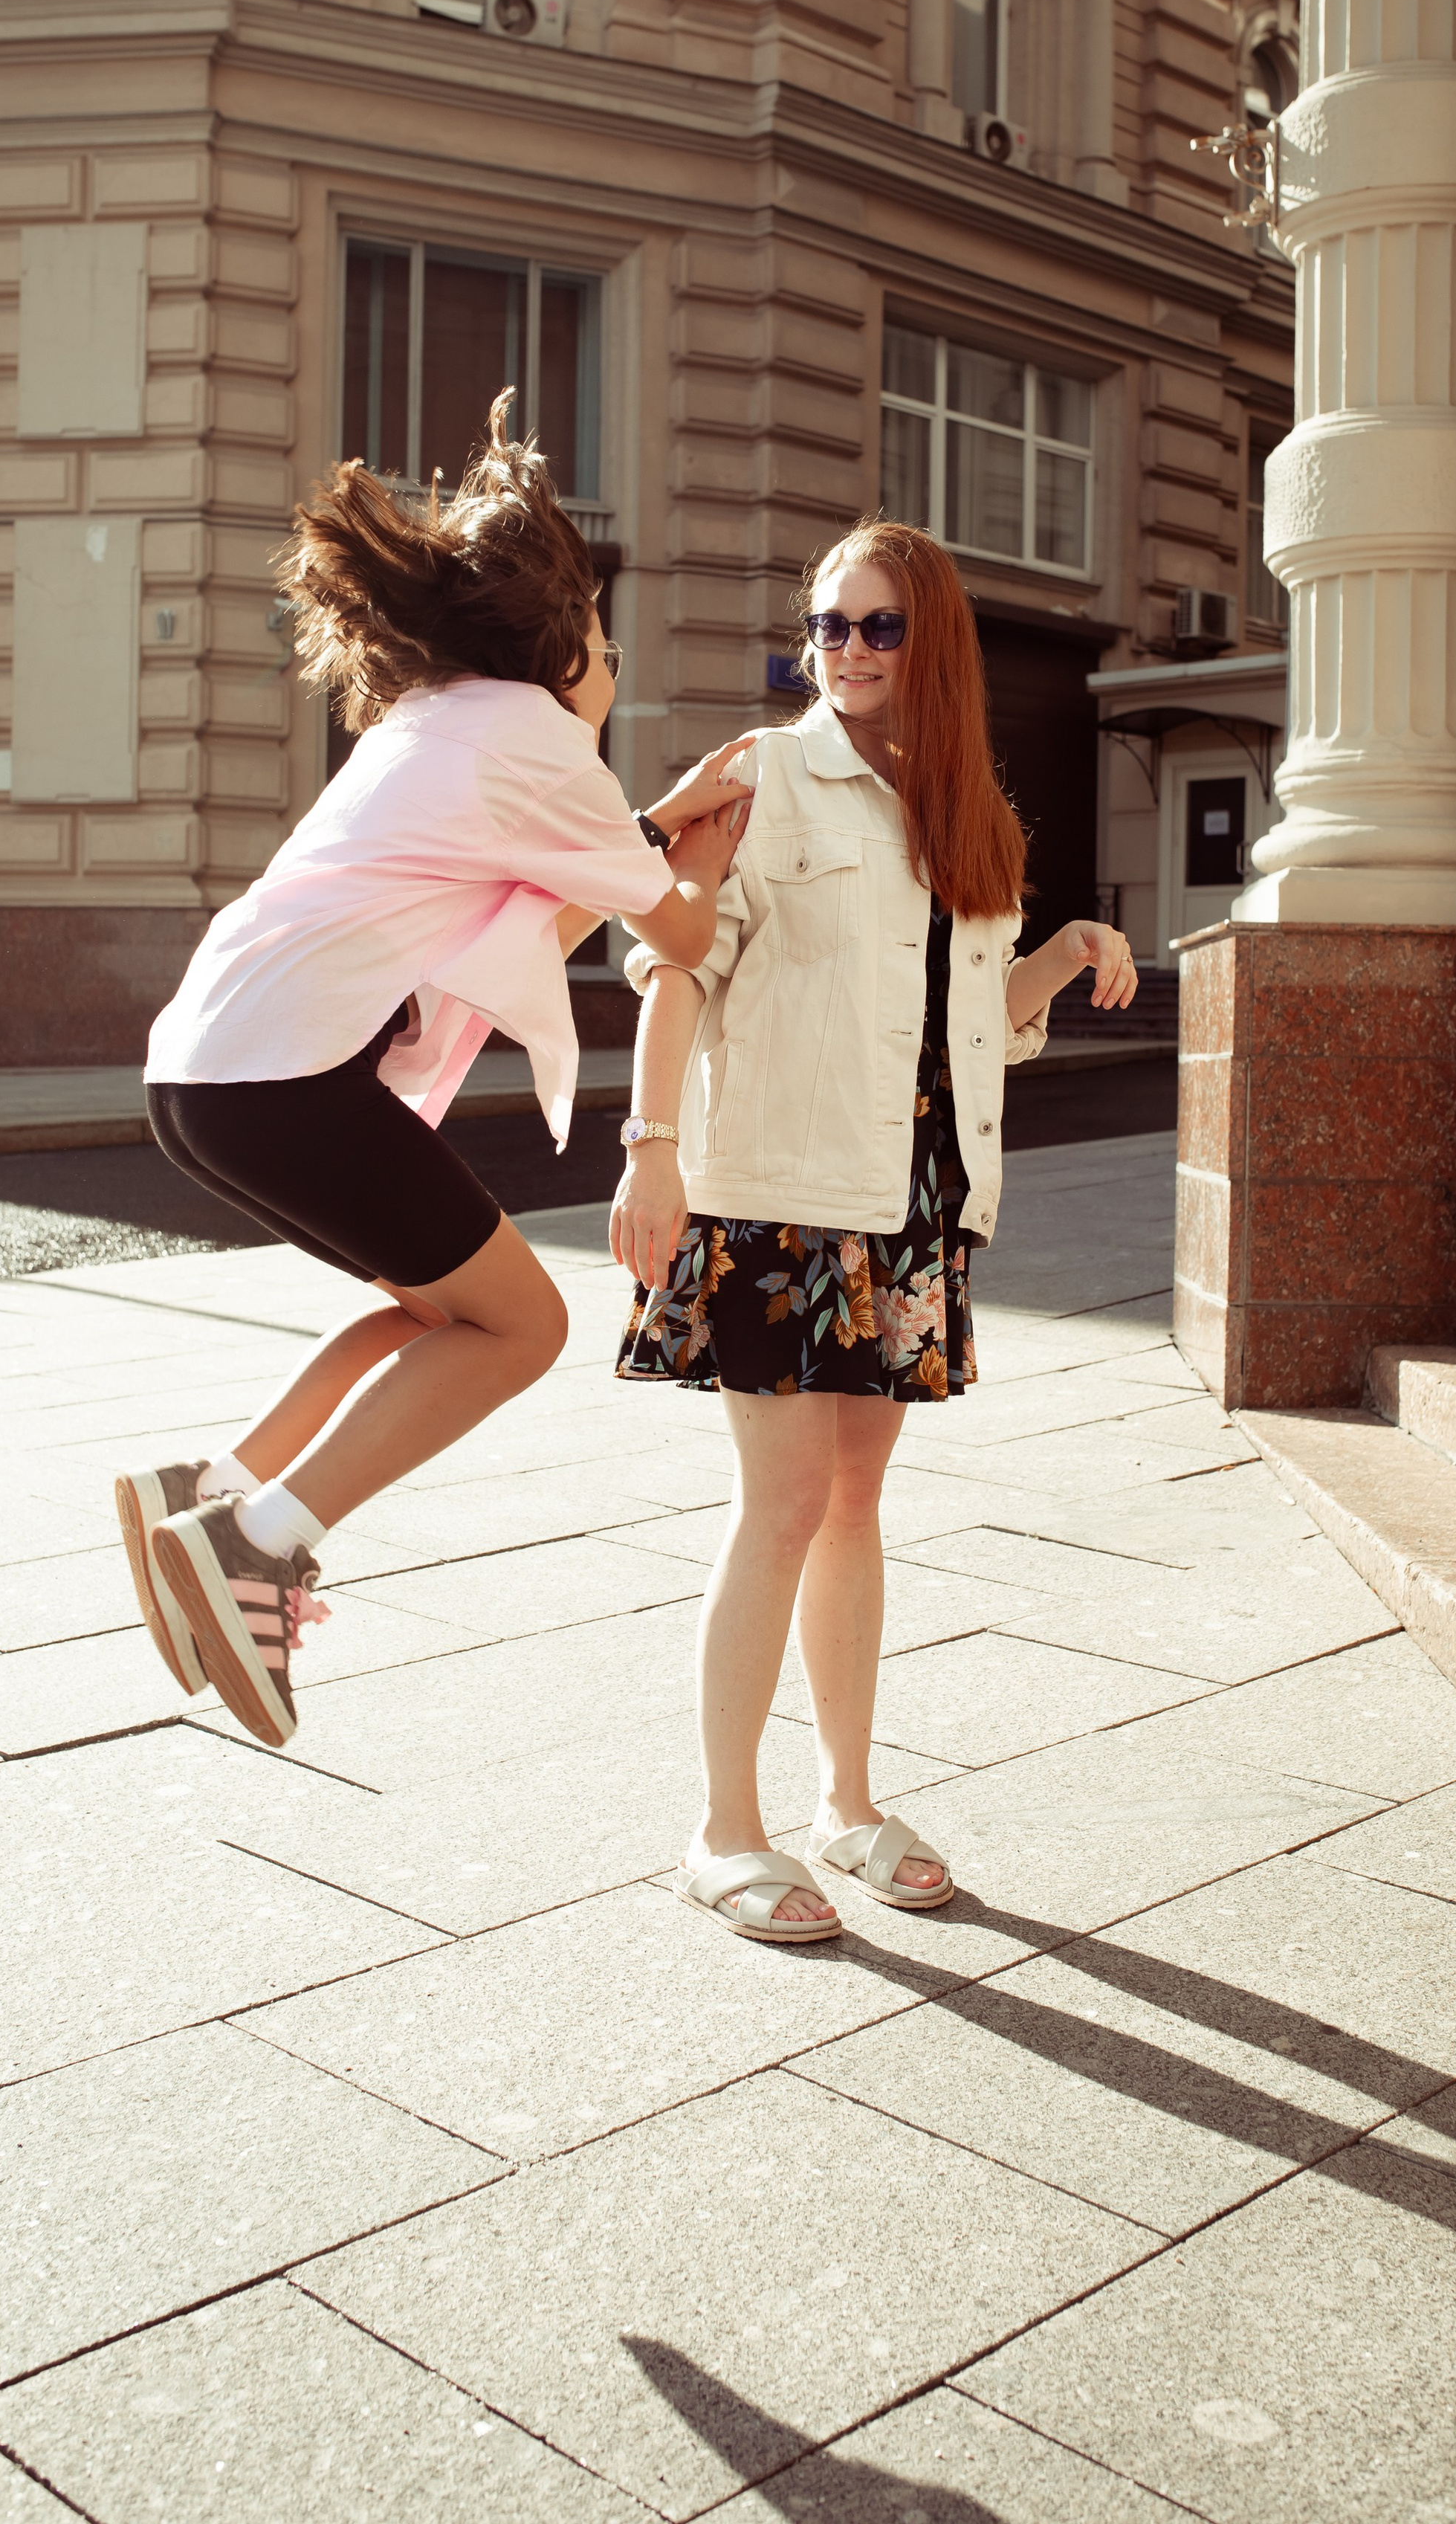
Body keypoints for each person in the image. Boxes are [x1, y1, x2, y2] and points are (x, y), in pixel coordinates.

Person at [120, 394, 750, 1751]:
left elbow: (537, 921)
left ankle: (210, 1484)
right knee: (525, 1327)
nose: (612, 662)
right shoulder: (540, 738)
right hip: (285, 1081)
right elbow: (683, 932)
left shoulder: (433, 719)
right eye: (608, 641)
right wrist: (700, 851)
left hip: (201, 1073)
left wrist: (652, 829)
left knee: (433, 1311)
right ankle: (256, 1540)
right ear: (565, 642)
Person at [610, 518, 1138, 1941]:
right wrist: (650, 1149)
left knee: (853, 1503)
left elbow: (962, 1030)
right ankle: (724, 1830)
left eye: (878, 626)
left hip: (912, 1209)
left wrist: (1064, 952)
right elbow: (674, 962)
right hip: (777, 1203)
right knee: (781, 1503)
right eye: (827, 626)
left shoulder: (972, 816)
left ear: (934, 643)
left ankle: (846, 1804)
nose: (845, 650)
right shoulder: (763, 774)